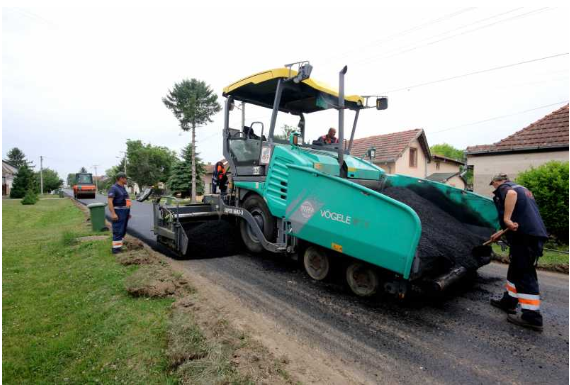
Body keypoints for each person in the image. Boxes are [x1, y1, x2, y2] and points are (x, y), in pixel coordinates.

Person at [488, 173, 548, 331]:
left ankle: (532, 317)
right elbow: (520, 215)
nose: (494, 188)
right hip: (529, 234)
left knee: (524, 273)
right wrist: (501, 231)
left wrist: (506, 219)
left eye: (493, 185)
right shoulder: (523, 189)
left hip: (525, 237)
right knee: (515, 268)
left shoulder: (508, 188)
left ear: (498, 181)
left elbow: (510, 195)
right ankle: (508, 302)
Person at [108, 172, 131, 254]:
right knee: (118, 230)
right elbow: (110, 201)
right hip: (118, 211)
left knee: (123, 230)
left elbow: (126, 200)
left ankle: (119, 246)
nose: (126, 180)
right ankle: (116, 250)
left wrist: (128, 212)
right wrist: (113, 214)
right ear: (121, 178)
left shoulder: (123, 188)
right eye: (125, 178)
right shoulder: (114, 188)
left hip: (125, 212)